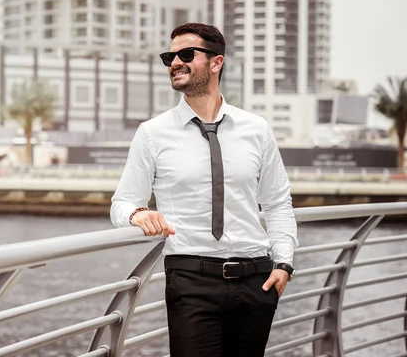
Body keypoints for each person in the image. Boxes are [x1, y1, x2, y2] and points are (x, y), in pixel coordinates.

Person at [110, 23, 299, 357]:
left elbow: (277, 202)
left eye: (186, 54)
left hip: (256, 279)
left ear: (216, 63)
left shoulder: (256, 129)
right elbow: (122, 202)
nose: (174, 63)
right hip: (191, 280)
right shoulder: (152, 133)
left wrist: (283, 264)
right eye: (170, 57)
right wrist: (138, 214)